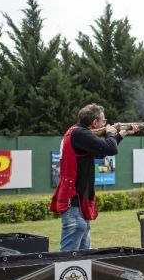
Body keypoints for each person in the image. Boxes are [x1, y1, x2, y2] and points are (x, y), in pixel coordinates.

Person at [50, 103, 139, 251]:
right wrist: (110, 132)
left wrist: (121, 134)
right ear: (95, 122)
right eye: (103, 121)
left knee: (85, 252)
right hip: (74, 201)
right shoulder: (79, 133)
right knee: (67, 258)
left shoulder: (79, 134)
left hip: (79, 201)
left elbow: (101, 152)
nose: (105, 123)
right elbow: (110, 148)